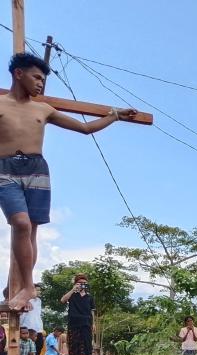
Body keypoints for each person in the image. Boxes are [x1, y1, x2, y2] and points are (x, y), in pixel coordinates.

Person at [0, 53, 136, 312]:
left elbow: (84, 128)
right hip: (5, 169)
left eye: (43, 80)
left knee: (32, 229)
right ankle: (23, 285)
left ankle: (25, 287)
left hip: (36, 168)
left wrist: (115, 115)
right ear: (18, 74)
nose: (40, 84)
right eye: (36, 77)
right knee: (20, 223)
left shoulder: (43, 109)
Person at [60, 273, 94, 355]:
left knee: (86, 343)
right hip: (73, 322)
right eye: (80, 283)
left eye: (84, 283)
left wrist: (93, 324)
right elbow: (62, 300)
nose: (82, 284)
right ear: (75, 283)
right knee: (74, 342)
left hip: (86, 323)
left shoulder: (89, 297)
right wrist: (73, 289)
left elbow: (92, 312)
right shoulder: (72, 295)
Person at [20, 282, 43, 355]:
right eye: (37, 290)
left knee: (39, 345)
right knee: (27, 346)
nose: (39, 292)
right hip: (28, 327)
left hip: (38, 327)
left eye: (40, 290)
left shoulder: (39, 301)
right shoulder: (25, 301)